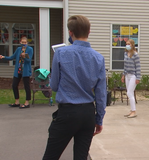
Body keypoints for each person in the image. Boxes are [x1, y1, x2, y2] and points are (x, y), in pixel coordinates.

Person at [42, 15, 107, 160]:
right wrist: (99, 119)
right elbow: (101, 93)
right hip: (87, 114)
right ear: (89, 32)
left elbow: (54, 86)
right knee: (81, 157)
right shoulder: (98, 58)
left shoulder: (61, 53)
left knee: (51, 156)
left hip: (68, 112)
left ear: (70, 32)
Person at [0, 37, 33, 109]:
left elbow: (29, 60)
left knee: (26, 86)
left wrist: (24, 57)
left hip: (25, 70)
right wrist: (4, 57)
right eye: (22, 42)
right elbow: (12, 57)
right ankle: (16, 102)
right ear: (20, 42)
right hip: (18, 70)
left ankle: (27, 102)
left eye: (25, 42)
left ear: (27, 43)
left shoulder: (30, 49)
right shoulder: (18, 49)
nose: (24, 44)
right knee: (14, 85)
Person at [121, 39, 141, 118]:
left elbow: (138, 67)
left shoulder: (135, 54)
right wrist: (123, 75)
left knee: (129, 92)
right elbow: (125, 66)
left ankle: (134, 111)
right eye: (126, 44)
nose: (127, 45)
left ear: (132, 45)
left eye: (129, 44)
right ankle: (131, 110)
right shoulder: (126, 54)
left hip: (133, 75)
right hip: (127, 75)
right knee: (130, 93)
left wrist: (138, 77)